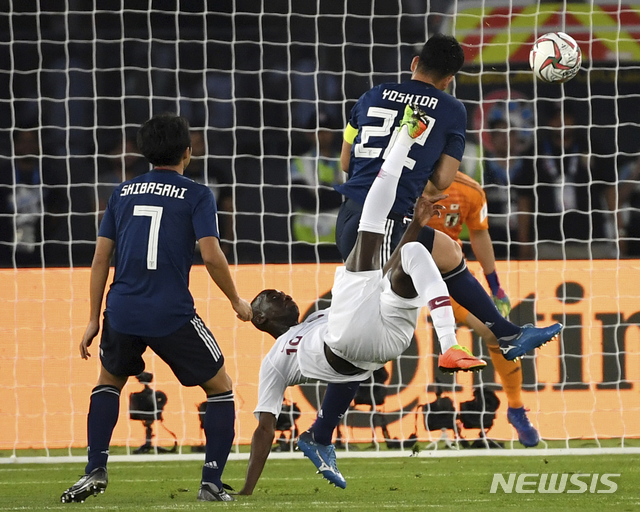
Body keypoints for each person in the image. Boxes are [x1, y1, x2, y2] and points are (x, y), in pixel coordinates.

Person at [237, 106, 562, 493]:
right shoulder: (275, 360)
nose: (283, 293)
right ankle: (460, 344)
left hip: (383, 340)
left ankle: (326, 432)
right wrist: (247, 490)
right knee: (386, 226)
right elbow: (264, 427)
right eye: (271, 298)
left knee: (410, 254)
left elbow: (388, 263)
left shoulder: (318, 318)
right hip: (354, 342)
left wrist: (416, 224)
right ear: (260, 319)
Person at [60, 114, 253, 504]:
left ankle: (95, 468)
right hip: (171, 312)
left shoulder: (122, 193)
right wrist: (236, 300)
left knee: (108, 383)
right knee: (221, 389)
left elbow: (100, 259)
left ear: (145, 153)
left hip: (122, 309)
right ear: (188, 152)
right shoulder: (198, 194)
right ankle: (211, 483)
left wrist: (93, 319)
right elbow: (211, 255)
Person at [426, 171, 539, 447]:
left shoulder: (469, 190)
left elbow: (479, 233)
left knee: (495, 332)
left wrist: (495, 286)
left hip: (444, 279)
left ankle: (516, 408)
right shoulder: (404, 178)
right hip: (396, 274)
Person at [513, 103, 615, 259]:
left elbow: (610, 191)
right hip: (548, 242)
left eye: (566, 118)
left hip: (592, 240)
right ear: (548, 122)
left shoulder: (592, 148)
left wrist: (620, 232)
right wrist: (523, 241)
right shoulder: (534, 153)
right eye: (556, 118)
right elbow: (524, 200)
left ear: (573, 120)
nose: (561, 122)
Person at [290, 111, 344, 262]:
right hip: (306, 238)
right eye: (318, 131)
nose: (322, 136)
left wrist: (320, 194)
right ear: (309, 135)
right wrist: (335, 193)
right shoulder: (299, 162)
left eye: (326, 131)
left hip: (337, 238)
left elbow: (351, 198)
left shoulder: (344, 162)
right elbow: (303, 200)